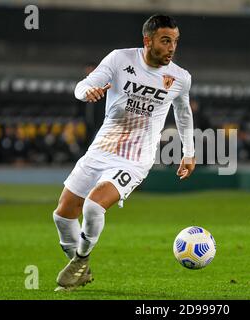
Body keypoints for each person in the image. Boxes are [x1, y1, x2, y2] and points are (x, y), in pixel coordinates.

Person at [52, 14, 196, 291]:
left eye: (175, 41)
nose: (171, 47)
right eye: (165, 41)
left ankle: (80, 259)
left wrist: (189, 152)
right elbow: (83, 86)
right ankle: (81, 269)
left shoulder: (180, 78)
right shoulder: (120, 60)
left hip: (136, 157)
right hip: (102, 148)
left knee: (94, 205)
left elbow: (183, 111)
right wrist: (88, 93)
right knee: (63, 214)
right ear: (148, 40)